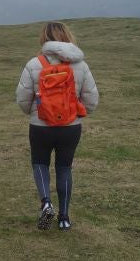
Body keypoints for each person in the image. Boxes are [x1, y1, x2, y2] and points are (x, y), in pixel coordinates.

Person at [15, 21, 99, 230]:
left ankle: (46, 203)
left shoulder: (34, 63)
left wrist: (32, 113)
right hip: (70, 127)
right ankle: (64, 217)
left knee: (40, 163)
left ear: (44, 39)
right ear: (68, 36)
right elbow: (91, 98)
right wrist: (79, 113)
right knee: (64, 167)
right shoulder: (81, 65)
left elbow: (22, 98)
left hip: (40, 126)